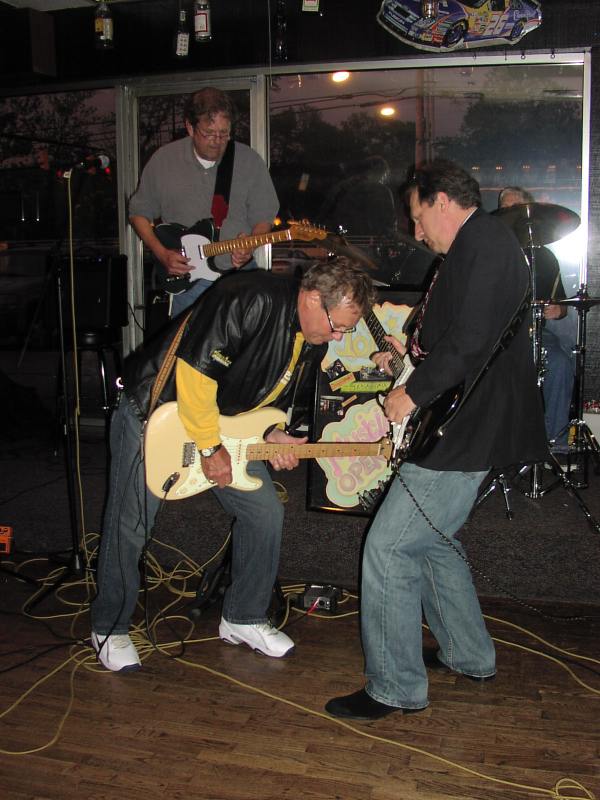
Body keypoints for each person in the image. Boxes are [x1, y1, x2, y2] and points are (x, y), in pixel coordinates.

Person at [325, 160, 548, 721]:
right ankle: (469, 654)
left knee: (389, 549)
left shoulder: (486, 244)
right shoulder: (478, 244)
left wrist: (413, 393)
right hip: (468, 422)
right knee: (431, 541)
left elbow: (471, 339)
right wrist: (408, 358)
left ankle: (395, 687)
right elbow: (456, 333)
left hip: (469, 427)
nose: (416, 230)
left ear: (442, 201)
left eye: (418, 216)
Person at [90, 258, 376, 672]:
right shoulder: (249, 298)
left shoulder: (312, 337)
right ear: (313, 299)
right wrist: (210, 449)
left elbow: (268, 396)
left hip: (221, 425)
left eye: (345, 330)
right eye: (338, 326)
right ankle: (109, 627)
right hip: (156, 413)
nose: (337, 336)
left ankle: (243, 616)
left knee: (265, 513)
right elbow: (195, 376)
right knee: (131, 525)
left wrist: (273, 434)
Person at [129, 87, 279, 317]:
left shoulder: (249, 161)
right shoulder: (164, 160)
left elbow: (264, 215)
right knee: (188, 341)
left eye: (224, 133)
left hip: (238, 276)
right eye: (209, 133)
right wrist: (161, 253)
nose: (217, 141)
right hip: (188, 282)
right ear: (190, 127)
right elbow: (138, 212)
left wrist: (250, 244)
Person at [497, 186, 575, 453]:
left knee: (561, 364)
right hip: (500, 337)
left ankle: (556, 443)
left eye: (516, 208)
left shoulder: (546, 258)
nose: (511, 214)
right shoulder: (492, 254)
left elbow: (561, 305)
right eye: (505, 209)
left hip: (536, 333)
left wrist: (558, 310)